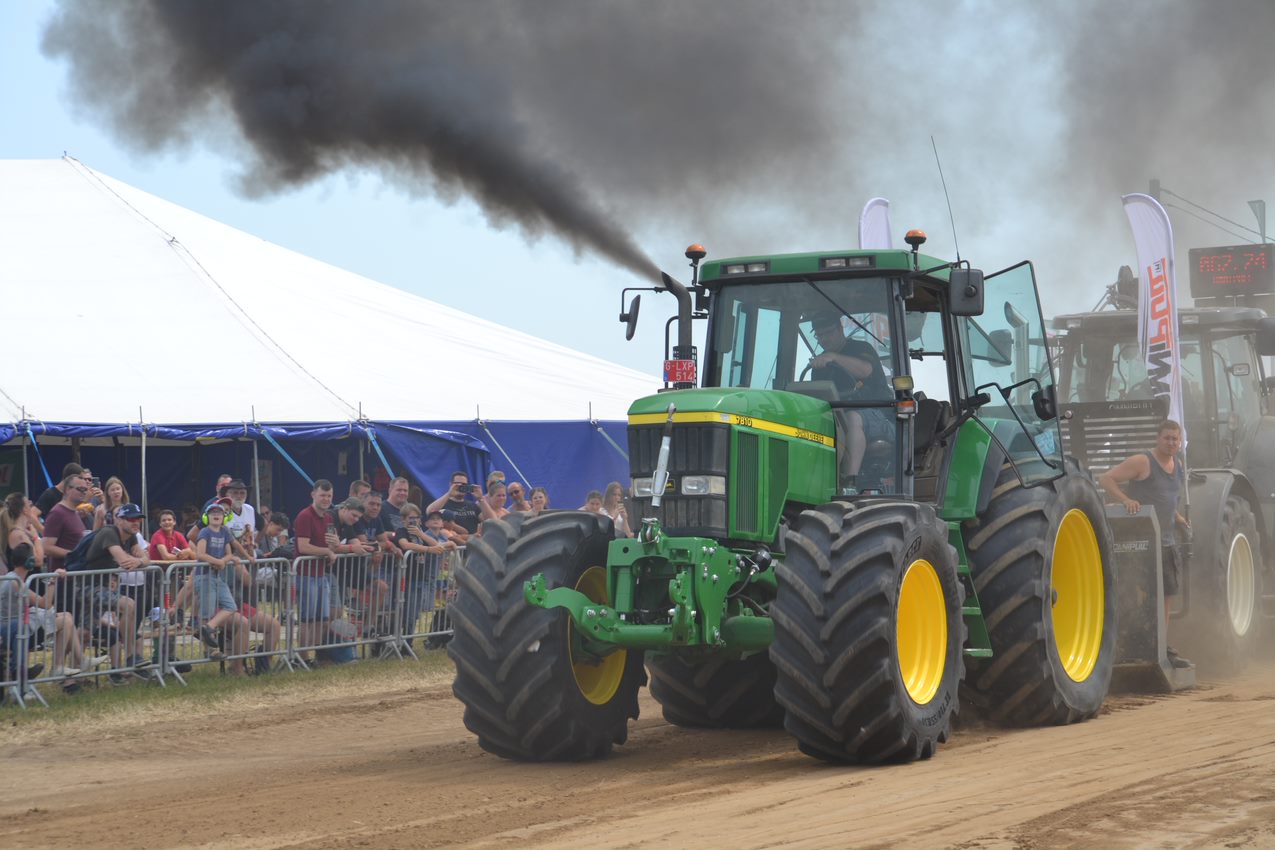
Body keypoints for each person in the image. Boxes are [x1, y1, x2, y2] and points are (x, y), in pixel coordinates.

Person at [1098, 419, 1192, 669]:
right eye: (1167, 438)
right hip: (1142, 541)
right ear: (1157, 438)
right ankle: (1129, 644)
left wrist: (1178, 517)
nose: (1171, 442)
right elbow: (1106, 479)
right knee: (1138, 594)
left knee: (1167, 595)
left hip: (1168, 541)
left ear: (1180, 441)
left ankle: (1160, 645)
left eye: (1175, 438)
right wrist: (1126, 500)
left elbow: (1168, 500)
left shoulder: (1178, 465)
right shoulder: (1143, 461)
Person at [808, 312, 893, 491]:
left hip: (880, 416)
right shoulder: (820, 366)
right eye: (819, 335)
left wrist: (834, 357)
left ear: (840, 329)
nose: (823, 339)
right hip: (839, 417)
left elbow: (865, 370)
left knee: (853, 417)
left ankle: (849, 483)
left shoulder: (861, 349)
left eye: (828, 333)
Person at [82, 503, 152, 669]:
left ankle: (72, 677)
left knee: (83, 633)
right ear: (119, 520)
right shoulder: (109, 532)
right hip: (84, 586)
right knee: (128, 605)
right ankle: (130, 657)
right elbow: (125, 562)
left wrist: (139, 561)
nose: (136, 522)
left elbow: (147, 560)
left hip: (102, 587)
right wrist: (138, 561)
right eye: (131, 519)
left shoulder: (132, 535)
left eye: (138, 519)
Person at [193, 499, 253, 672]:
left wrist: (246, 557)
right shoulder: (205, 532)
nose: (216, 515)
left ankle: (209, 627)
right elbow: (200, 554)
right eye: (213, 513)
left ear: (224, 517)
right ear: (207, 517)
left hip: (217, 577)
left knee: (230, 606)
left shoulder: (225, 532)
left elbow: (231, 551)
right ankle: (210, 650)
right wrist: (218, 561)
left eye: (219, 513)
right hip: (204, 576)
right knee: (208, 611)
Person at [293, 479, 338, 661]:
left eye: (329, 496)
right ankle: (302, 658)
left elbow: (331, 544)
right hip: (305, 574)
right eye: (322, 495)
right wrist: (327, 551)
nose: (326, 499)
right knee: (307, 619)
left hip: (321, 573)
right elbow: (303, 546)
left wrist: (334, 545)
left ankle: (318, 654)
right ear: (313, 495)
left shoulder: (328, 517)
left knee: (323, 618)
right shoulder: (304, 516)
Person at [41, 472, 89, 571]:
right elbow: (46, 547)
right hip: (63, 578)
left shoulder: (74, 512)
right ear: (67, 489)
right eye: (80, 489)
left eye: (86, 489)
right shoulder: (57, 513)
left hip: (75, 576)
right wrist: (73, 555)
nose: (84, 492)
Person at [427, 471, 482, 543]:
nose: (461, 486)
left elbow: (490, 519)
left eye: (464, 484)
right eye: (457, 484)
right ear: (450, 485)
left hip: (471, 549)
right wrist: (449, 494)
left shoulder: (472, 505)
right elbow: (429, 511)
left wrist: (481, 499)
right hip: (453, 548)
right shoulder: (443, 503)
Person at [2, 492, 45, 568]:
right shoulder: (17, 534)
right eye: (29, 504)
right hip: (24, 579)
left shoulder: (22, 532)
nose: (31, 506)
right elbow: (38, 561)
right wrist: (36, 538)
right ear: (24, 509)